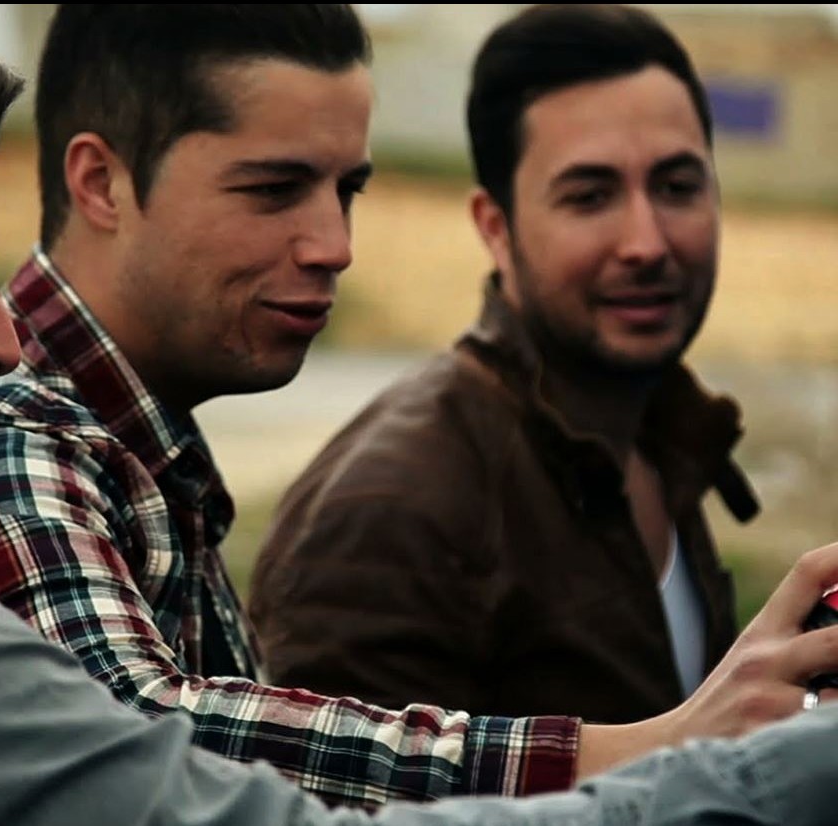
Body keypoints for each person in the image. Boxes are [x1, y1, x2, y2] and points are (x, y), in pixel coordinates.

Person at [0, 4, 838, 824]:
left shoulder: (133, 445)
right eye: (274, 189)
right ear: (98, 181)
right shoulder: (11, 434)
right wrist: (671, 746)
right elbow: (153, 747)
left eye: (349, 189)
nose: (334, 245)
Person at [249, 3, 756, 720]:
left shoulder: (660, 436)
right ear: (495, 228)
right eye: (590, 197)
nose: (646, 242)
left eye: (677, 188)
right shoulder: (390, 513)